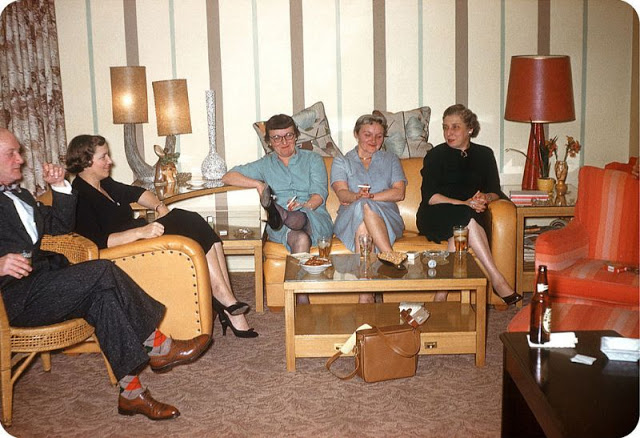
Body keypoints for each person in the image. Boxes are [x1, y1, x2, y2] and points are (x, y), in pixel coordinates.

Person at [0, 128, 211, 420]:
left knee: (104, 298)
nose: (20, 159)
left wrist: (59, 187)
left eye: (18, 152)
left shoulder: (20, 194)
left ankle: (131, 394)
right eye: (11, 153)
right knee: (103, 270)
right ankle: (158, 345)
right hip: (12, 299)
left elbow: (60, 228)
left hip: (43, 284)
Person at [65, 135, 257, 338]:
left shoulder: (104, 184)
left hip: (139, 238)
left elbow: (137, 193)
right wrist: (140, 232)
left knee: (193, 221)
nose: (110, 161)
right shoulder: (78, 196)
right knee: (189, 221)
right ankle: (225, 301)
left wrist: (159, 206)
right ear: (85, 162)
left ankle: (226, 299)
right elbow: (95, 244)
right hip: (124, 253)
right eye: (103, 157)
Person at [416, 104, 522, 305]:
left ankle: (440, 296)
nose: (449, 132)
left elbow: (495, 191)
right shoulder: (435, 155)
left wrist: (485, 198)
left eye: (455, 127)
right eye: (445, 127)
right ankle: (497, 279)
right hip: (435, 214)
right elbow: (430, 197)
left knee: (460, 229)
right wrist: (465, 203)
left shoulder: (485, 154)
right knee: (466, 218)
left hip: (468, 215)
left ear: (470, 129)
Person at [221, 114, 333, 304]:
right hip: (282, 227)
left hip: (314, 217)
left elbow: (319, 195)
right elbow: (228, 176)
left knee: (299, 218)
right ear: (269, 142)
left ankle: (279, 212)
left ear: (296, 136)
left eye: (289, 135)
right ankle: (301, 300)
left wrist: (304, 205)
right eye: (277, 138)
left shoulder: (313, 159)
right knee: (300, 238)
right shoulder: (265, 164)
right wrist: (258, 184)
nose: (284, 142)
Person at [331, 113, 407, 303]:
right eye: (368, 135)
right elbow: (342, 193)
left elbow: (399, 193)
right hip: (349, 217)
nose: (374, 140)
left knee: (364, 213)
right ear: (356, 134)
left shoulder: (391, 159)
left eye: (379, 136)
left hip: (386, 217)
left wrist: (370, 197)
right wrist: (356, 197)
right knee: (361, 208)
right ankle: (388, 255)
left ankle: (365, 294)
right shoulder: (342, 161)